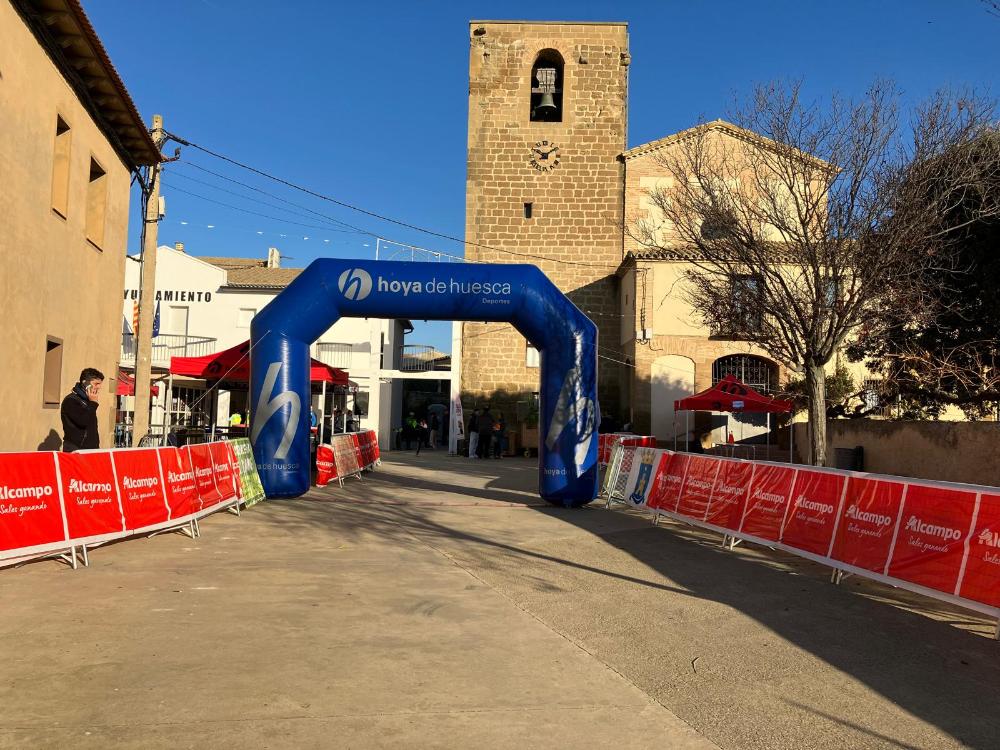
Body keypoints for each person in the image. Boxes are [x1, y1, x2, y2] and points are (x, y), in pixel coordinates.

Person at [60, 367, 104, 452]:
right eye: (96, 384)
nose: (99, 387)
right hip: (76, 449)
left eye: (100, 384)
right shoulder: (71, 400)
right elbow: (82, 421)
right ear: (85, 383)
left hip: (91, 450)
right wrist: (93, 404)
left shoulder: (88, 401)